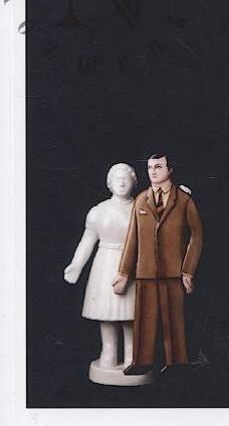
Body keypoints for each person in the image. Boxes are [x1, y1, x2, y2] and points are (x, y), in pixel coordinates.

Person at [112, 153, 203, 375]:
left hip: (174, 270)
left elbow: (197, 235)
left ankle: (177, 363)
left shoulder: (184, 200)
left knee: (175, 319)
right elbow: (132, 239)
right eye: (150, 167)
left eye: (158, 167)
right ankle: (142, 361)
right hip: (146, 270)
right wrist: (124, 272)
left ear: (170, 170)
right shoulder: (141, 200)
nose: (153, 171)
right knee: (145, 318)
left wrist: (188, 270)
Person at [64, 163, 137, 372]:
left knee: (131, 313)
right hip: (105, 263)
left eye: (126, 178)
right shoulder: (98, 211)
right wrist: (76, 264)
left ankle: (132, 355)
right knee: (106, 311)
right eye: (117, 179)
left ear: (133, 182)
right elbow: (88, 240)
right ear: (109, 183)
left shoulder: (141, 209)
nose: (121, 182)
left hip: (131, 263)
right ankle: (109, 352)